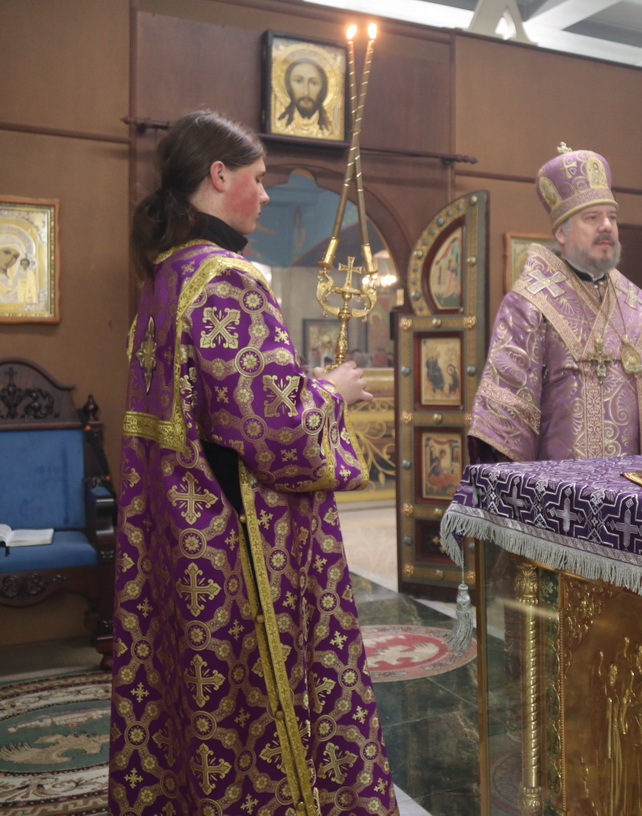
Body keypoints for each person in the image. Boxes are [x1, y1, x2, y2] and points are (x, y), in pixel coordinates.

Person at [110, 110, 398, 816]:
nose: (266, 195)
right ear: (219, 176)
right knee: (255, 721)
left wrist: (302, 385)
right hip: (240, 557)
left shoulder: (163, 281)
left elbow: (220, 412)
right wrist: (331, 392)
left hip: (179, 545)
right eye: (259, 178)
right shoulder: (226, 280)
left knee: (191, 707)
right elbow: (281, 434)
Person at [469, 143, 642, 462]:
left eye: (612, 217)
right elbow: (505, 422)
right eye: (592, 217)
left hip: (638, 487)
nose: (606, 226)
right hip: (562, 488)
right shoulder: (529, 306)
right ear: (562, 232)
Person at [277, 56, 332, 134]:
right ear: (288, 85)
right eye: (298, 81)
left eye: (313, 83)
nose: (306, 92)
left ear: (323, 88)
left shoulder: (328, 130)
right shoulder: (280, 124)